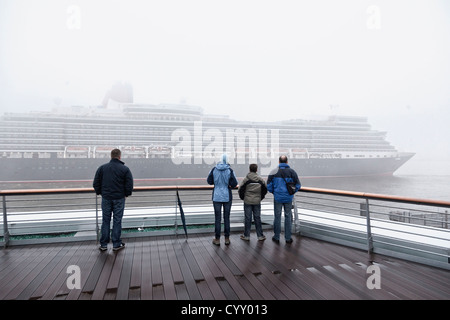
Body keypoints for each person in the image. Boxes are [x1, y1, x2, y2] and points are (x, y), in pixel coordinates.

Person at [93, 148, 133, 251]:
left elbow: (96, 183)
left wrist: (101, 193)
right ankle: (116, 244)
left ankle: (103, 245)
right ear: (120, 157)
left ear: (111, 156)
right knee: (117, 220)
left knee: (105, 220)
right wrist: (126, 194)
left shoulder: (102, 168)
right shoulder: (125, 169)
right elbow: (129, 184)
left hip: (106, 198)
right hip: (119, 198)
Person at [267, 155, 301, 244]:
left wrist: (274, 192)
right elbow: (298, 185)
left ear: (279, 162)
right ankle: (288, 238)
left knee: (277, 217)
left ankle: (277, 237)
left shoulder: (273, 171)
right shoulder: (292, 172)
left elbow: (269, 185)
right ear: (287, 162)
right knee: (288, 217)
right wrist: (292, 192)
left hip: (277, 198)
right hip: (288, 198)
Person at [207, 154, 238, 245]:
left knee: (217, 219)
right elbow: (234, 183)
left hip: (216, 196)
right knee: (226, 218)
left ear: (220, 160)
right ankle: (227, 239)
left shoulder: (214, 169)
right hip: (227, 196)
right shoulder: (230, 170)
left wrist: (217, 182)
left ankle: (217, 239)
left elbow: (209, 181)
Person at [238, 164, 267, 241]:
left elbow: (240, 189)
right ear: (256, 170)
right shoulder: (260, 180)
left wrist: (243, 198)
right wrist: (260, 198)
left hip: (247, 201)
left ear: (249, 169)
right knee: (257, 218)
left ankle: (246, 236)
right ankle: (260, 236)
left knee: (248, 218)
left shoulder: (246, 179)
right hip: (257, 201)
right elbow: (265, 190)